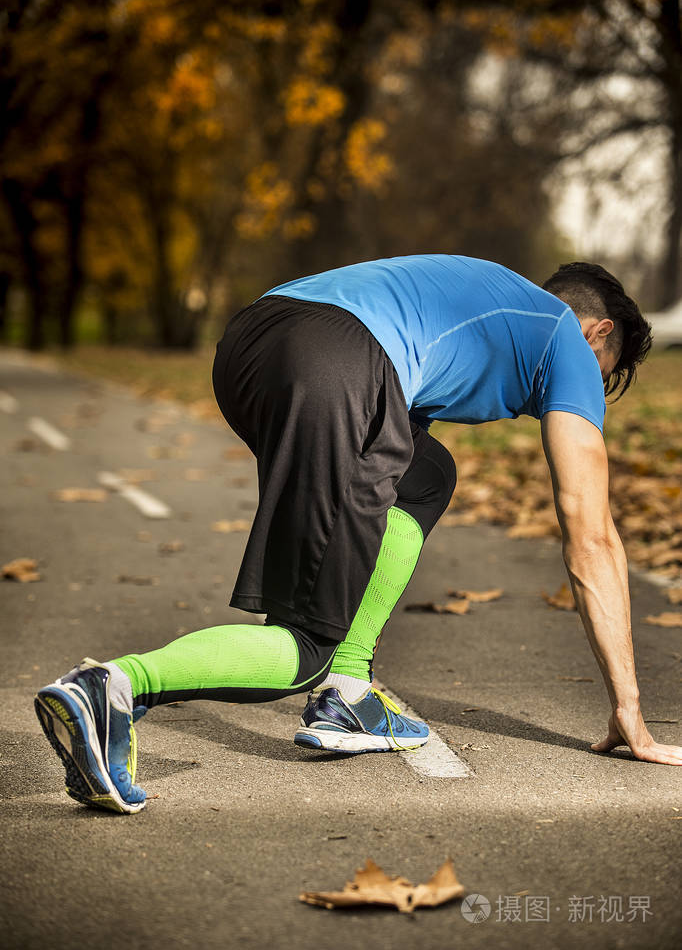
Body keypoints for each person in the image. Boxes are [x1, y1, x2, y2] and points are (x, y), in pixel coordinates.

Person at [35, 254, 682, 814]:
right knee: (302, 643)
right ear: (597, 331)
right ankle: (113, 687)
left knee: (425, 474)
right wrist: (629, 706)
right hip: (340, 363)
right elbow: (591, 535)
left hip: (251, 345)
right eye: (604, 374)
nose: (592, 390)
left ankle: (347, 692)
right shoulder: (564, 337)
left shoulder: (485, 297)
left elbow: (394, 432)